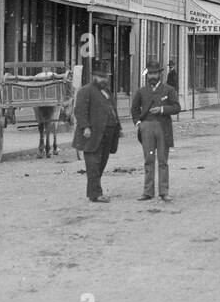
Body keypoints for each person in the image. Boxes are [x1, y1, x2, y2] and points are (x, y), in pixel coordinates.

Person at [131, 58, 181, 202]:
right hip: (146, 127)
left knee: (163, 161)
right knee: (149, 160)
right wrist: (139, 123)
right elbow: (134, 109)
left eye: (154, 73)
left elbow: (177, 107)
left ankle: (164, 192)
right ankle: (148, 192)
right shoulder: (141, 91)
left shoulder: (168, 90)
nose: (152, 76)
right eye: (150, 74)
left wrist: (162, 109)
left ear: (160, 74)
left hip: (163, 127)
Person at [73, 61, 120, 203]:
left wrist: (119, 127)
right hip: (92, 134)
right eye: (101, 77)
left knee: (101, 164)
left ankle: (94, 191)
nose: (104, 79)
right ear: (93, 76)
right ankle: (96, 194)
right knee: (93, 165)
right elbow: (79, 111)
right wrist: (85, 127)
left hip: (108, 133)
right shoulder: (85, 91)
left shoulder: (107, 91)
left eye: (106, 77)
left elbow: (112, 109)